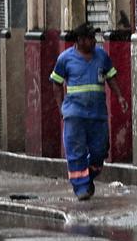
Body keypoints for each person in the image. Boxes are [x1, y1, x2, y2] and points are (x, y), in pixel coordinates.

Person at [48, 25, 117, 201]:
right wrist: (61, 107)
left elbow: (111, 77)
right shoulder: (65, 59)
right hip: (75, 113)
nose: (94, 42)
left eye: (95, 38)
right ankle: (81, 188)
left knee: (100, 151)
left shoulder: (101, 56)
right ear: (79, 40)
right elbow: (56, 82)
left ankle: (87, 177)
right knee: (76, 150)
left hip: (97, 114)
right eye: (90, 39)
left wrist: (121, 97)